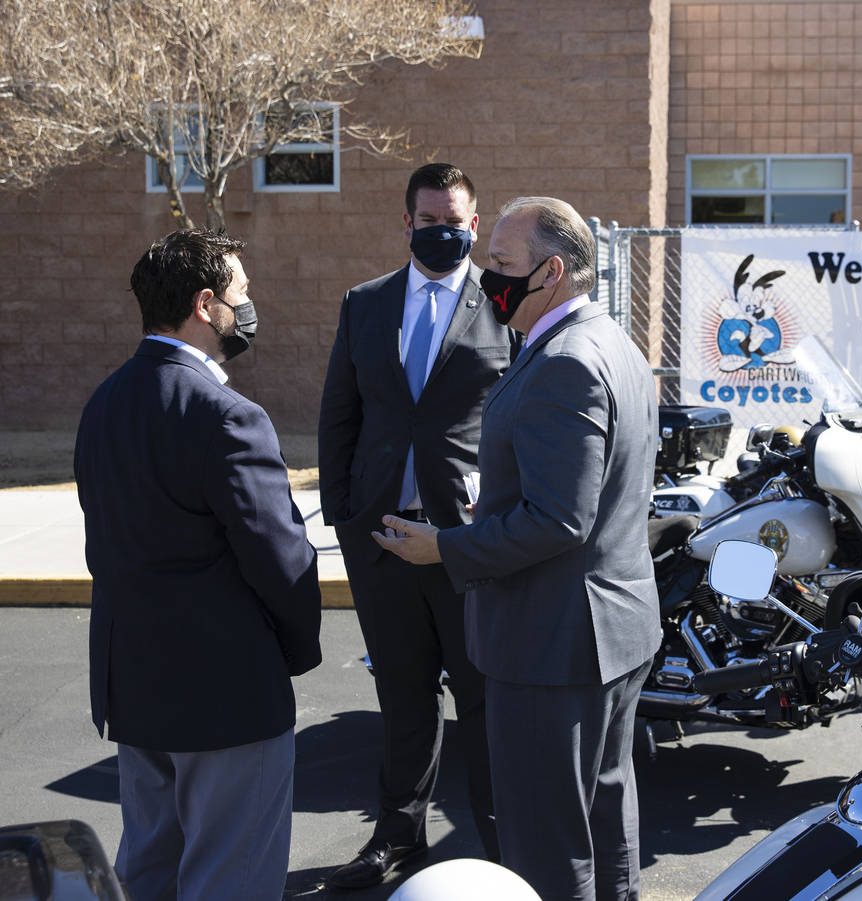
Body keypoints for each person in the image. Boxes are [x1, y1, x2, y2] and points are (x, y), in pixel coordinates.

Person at [372, 196, 661, 901]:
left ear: (551, 272)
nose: (486, 277)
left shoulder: (566, 359)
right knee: (604, 817)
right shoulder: (609, 341)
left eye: (501, 262)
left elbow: (559, 521)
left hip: (553, 643)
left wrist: (447, 547)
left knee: (547, 840)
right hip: (606, 630)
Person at [74, 228, 323, 901]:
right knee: (229, 879)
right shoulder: (228, 416)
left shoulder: (103, 402)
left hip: (134, 685)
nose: (250, 304)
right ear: (205, 304)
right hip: (226, 695)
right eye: (242, 291)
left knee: (149, 871)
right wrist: (295, 650)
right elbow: (280, 559)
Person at [318, 162, 519, 887]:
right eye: (429, 220)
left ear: (475, 223)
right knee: (402, 695)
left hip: (466, 541)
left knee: (483, 698)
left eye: (454, 222)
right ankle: (398, 839)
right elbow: (339, 415)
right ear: (407, 223)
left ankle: (502, 847)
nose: (442, 231)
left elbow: (524, 417)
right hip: (381, 538)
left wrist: (503, 523)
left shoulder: (506, 303)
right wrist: (345, 517)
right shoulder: (364, 303)